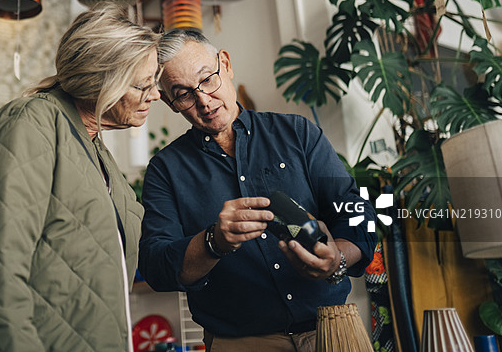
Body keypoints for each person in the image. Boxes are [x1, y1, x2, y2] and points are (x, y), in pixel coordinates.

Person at [0, 6, 161, 352]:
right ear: (100, 80)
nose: (154, 95)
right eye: (143, 85)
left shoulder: (94, 149)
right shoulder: (32, 124)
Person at [139, 29, 377, 352]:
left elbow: (358, 215)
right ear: (169, 102)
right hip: (241, 342)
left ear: (225, 63)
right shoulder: (165, 171)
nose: (204, 101)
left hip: (332, 329)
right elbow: (157, 266)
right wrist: (213, 242)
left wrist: (336, 258)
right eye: (183, 94)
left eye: (207, 79)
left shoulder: (299, 134)